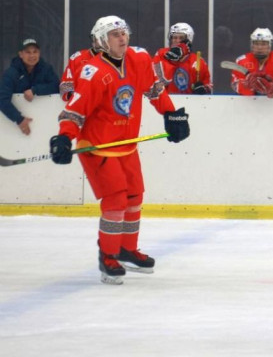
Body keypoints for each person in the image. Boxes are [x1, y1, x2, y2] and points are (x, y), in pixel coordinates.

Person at [49, 15, 190, 285]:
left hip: (125, 146)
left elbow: (154, 90)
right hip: (98, 147)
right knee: (115, 202)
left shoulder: (138, 60)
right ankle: (109, 256)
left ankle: (126, 248)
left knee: (135, 197)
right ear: (102, 41)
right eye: (115, 35)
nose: (122, 38)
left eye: (124, 32)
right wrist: (64, 138)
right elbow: (74, 111)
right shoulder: (93, 72)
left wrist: (172, 115)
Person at [0, 38, 59, 136]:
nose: (32, 56)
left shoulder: (46, 69)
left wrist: (35, 90)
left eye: (35, 52)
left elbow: (57, 86)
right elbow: (2, 99)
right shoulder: (11, 73)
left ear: (39, 53)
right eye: (28, 52)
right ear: (21, 54)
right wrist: (19, 119)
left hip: (45, 126)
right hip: (11, 131)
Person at [230, 28, 273, 97]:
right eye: (256, 44)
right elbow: (234, 84)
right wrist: (247, 85)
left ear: (270, 45)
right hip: (247, 104)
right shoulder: (241, 61)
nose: (259, 47)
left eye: (264, 44)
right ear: (251, 45)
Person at [152, 23, 212, 94]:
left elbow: (208, 85)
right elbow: (157, 81)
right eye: (174, 37)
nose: (177, 41)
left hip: (190, 102)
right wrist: (172, 60)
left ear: (188, 41)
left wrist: (203, 89)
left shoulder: (198, 61)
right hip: (166, 101)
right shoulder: (161, 54)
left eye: (181, 38)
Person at [60, 37, 101, 102]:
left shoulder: (120, 59)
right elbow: (65, 88)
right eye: (98, 38)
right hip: (83, 108)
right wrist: (79, 95)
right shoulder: (78, 58)